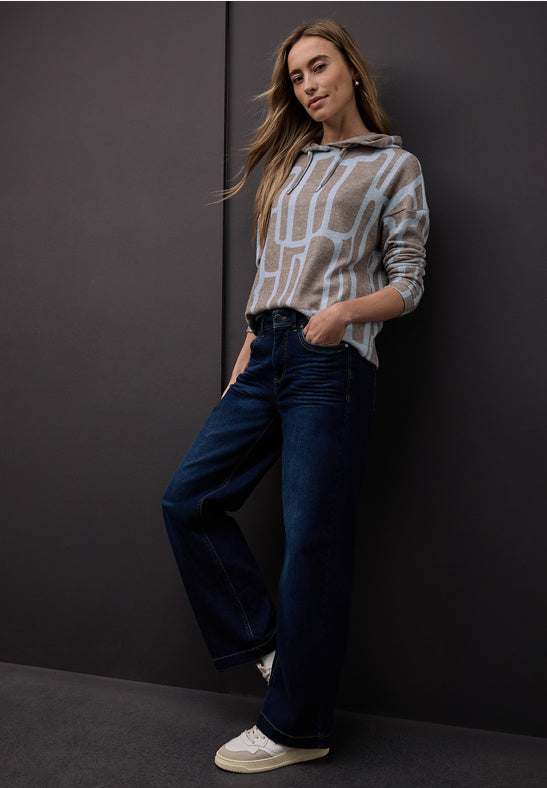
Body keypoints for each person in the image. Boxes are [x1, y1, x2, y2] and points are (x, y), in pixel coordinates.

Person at [162, 18, 429, 774]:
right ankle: (274, 649)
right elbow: (271, 272)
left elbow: (408, 283)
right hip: (267, 354)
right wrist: (247, 352)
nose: (308, 85)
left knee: (313, 539)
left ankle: (296, 728)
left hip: (329, 360)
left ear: (351, 69)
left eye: (319, 66)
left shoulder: (393, 166)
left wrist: (342, 315)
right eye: (297, 77)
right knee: (188, 500)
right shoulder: (290, 166)